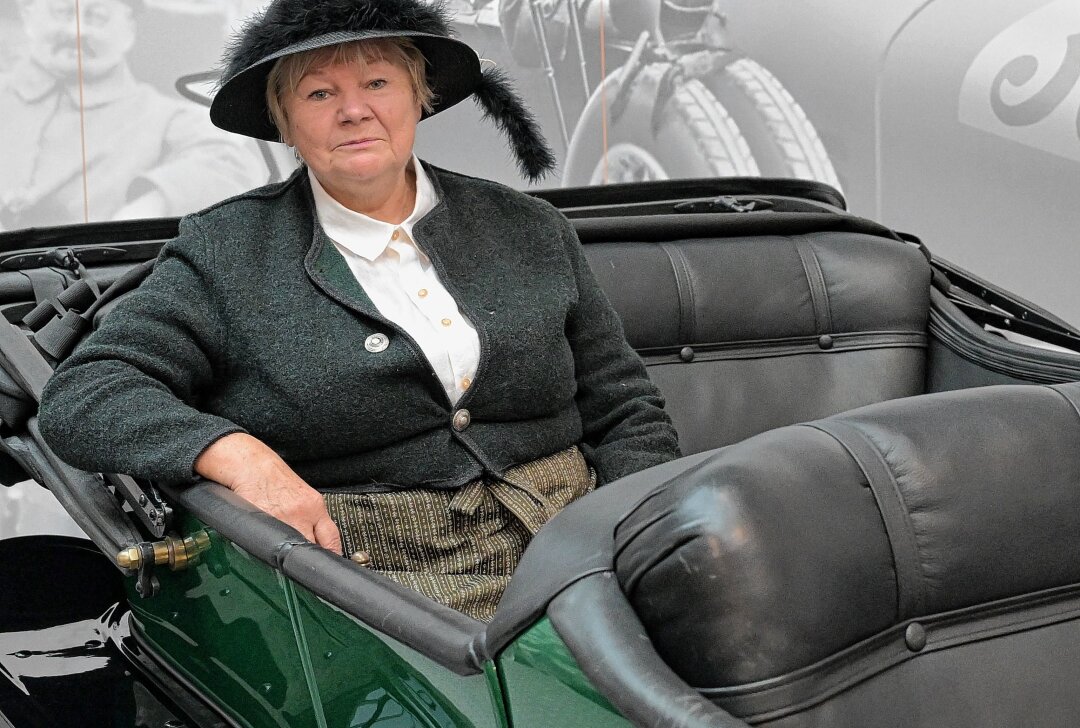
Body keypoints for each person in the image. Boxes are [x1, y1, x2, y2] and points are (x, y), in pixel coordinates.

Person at [38, 0, 679, 622]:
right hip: (371, 586)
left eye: (377, 82)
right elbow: (86, 396)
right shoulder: (227, 252)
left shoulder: (528, 227)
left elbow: (626, 409)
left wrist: (629, 532)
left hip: (580, 545)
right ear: (283, 120)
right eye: (318, 94)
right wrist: (238, 456)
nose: (353, 111)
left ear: (418, 94)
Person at [0, 0, 265, 230]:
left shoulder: (163, 116)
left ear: (128, 30)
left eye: (97, 17)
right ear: (28, 15)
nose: (76, 31)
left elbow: (230, 162)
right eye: (61, 13)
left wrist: (152, 202)